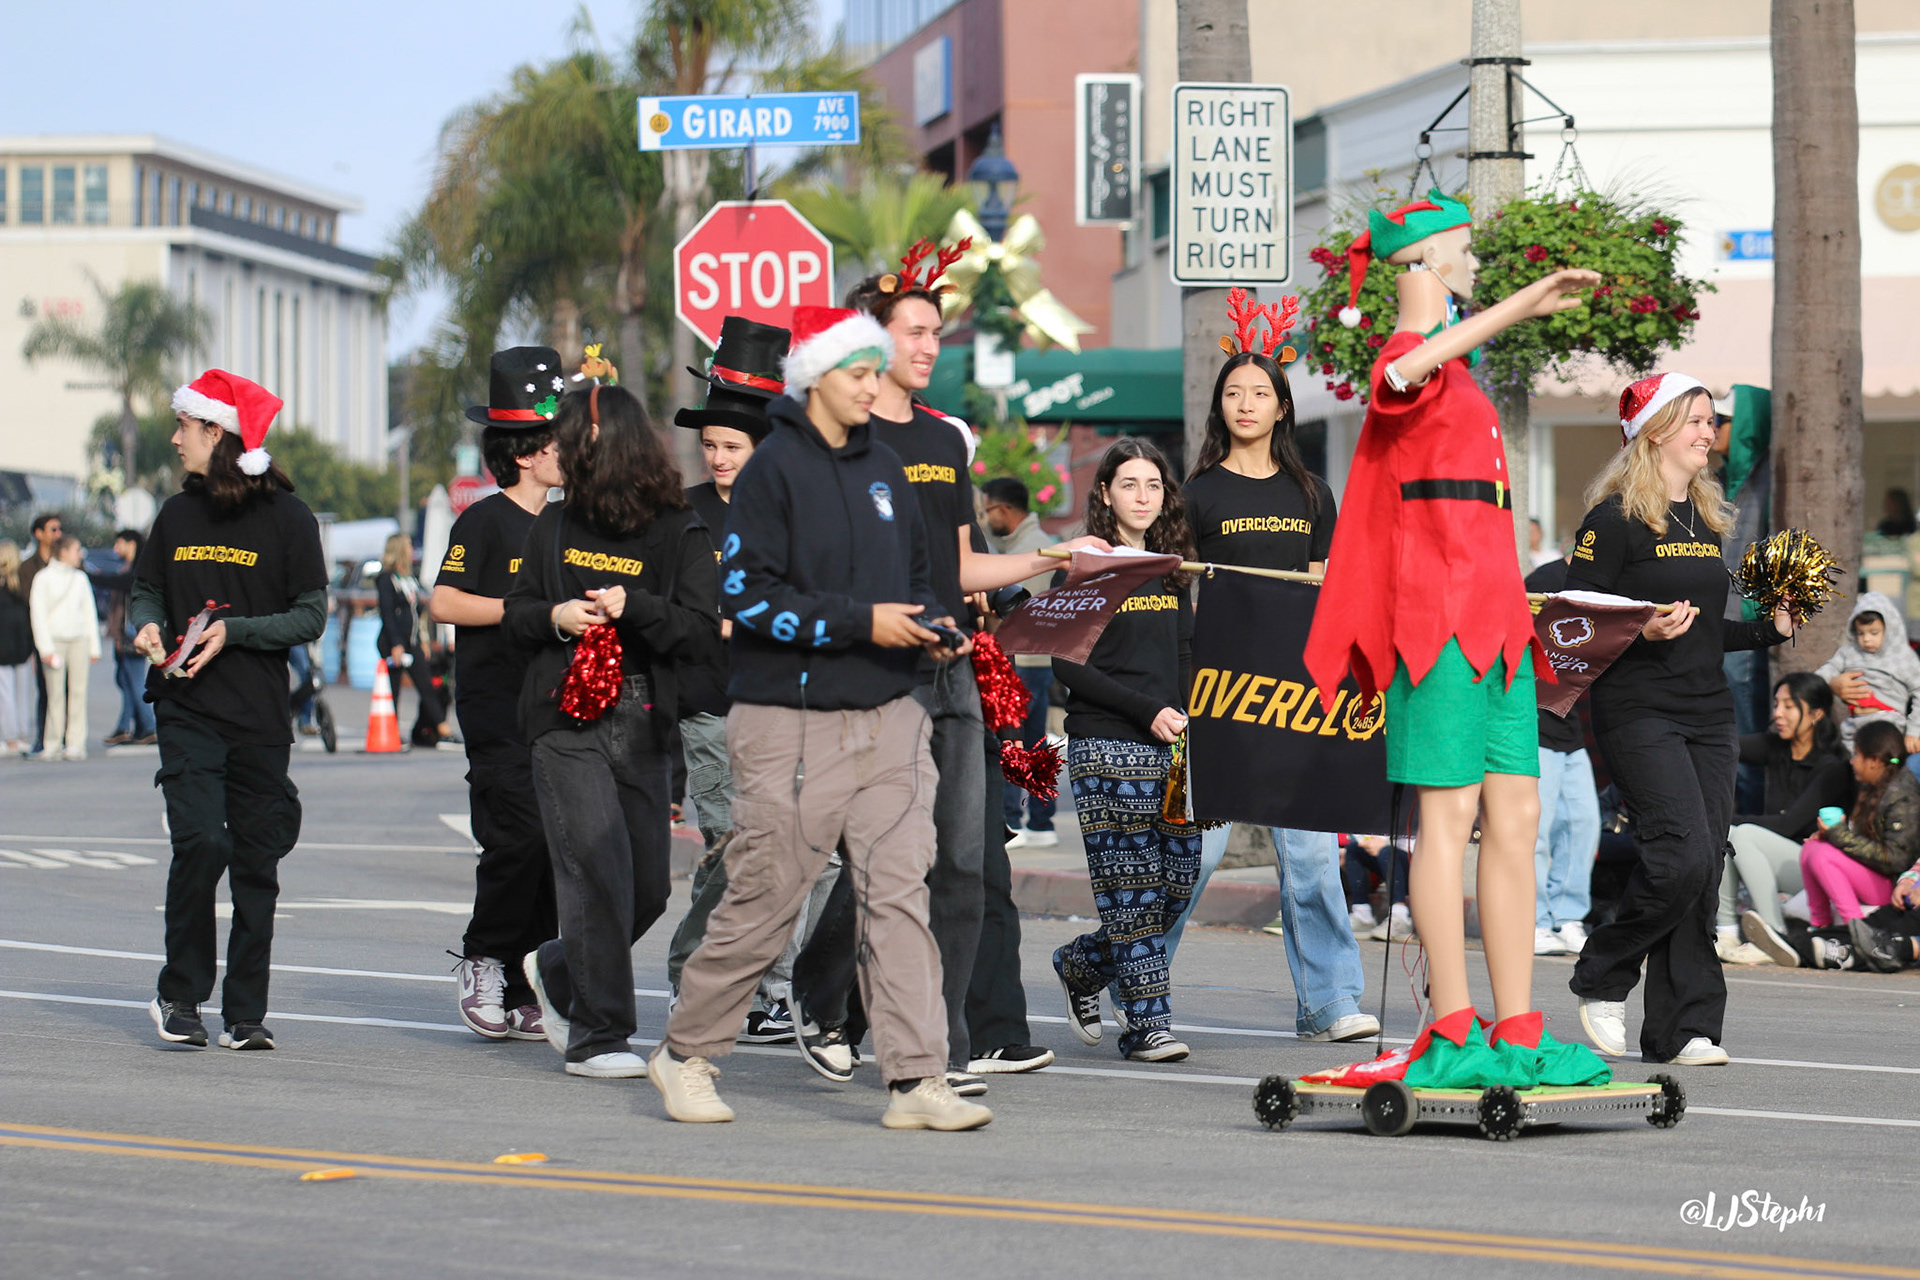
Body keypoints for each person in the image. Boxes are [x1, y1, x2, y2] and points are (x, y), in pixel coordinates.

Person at [650, 304, 989, 1131]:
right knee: (767, 897)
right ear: (814, 377)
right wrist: (863, 623)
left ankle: (916, 1080)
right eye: (859, 373)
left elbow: (918, 580)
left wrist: (934, 627)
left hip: (891, 715)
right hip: (789, 720)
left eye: (876, 371)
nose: (874, 386)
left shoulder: (887, 472)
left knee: (899, 895)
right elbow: (746, 598)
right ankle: (687, 1055)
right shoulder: (772, 470)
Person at [1304, 190, 1605, 1087]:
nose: (1473, 264)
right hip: (1432, 626)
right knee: (1450, 818)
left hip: (1499, 623)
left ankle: (1517, 1028)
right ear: (1428, 258)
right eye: (1464, 250)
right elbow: (1402, 372)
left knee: (1518, 815)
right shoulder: (1409, 355)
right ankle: (1452, 1027)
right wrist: (1523, 304)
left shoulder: (1460, 372)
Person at [789, 250, 1093, 1088]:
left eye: (934, 333)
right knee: (882, 857)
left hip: (953, 668)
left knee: (962, 860)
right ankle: (820, 991)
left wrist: (1055, 556)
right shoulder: (840, 440)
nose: (929, 346)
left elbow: (962, 567)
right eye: (914, 332)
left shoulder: (940, 439)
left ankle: (946, 1049)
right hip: (876, 676)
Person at [1563, 373, 1793, 1066]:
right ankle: (1604, 971)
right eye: (1694, 419)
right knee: (1681, 855)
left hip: (1707, 712)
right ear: (1655, 431)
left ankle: (1684, 1026)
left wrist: (1770, 630)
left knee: (1704, 863)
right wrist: (1642, 630)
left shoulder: (1704, 518)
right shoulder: (1610, 521)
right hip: (1638, 710)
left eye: (1710, 420)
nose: (1708, 431)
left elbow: (1702, 629)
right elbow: (1572, 624)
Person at [503, 377, 722, 1080]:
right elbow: (516, 615)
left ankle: (557, 967)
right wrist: (556, 616)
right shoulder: (554, 525)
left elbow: (700, 630)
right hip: (564, 717)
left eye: (570, 442)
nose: (561, 455)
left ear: (605, 443)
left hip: (644, 716)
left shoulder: (677, 528)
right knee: (596, 872)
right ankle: (598, 1035)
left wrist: (638, 607)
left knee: (648, 888)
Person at [1172, 324, 1376, 1044]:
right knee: (1195, 858)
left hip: (1298, 700)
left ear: (1282, 406)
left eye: (1260, 393)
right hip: (1219, 698)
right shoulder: (1194, 494)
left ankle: (1330, 1002)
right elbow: (1181, 597)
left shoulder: (1313, 493)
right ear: (1219, 407)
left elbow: (1325, 597)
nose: (1246, 404)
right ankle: (1136, 983)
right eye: (1234, 393)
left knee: (1313, 858)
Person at [133, 368, 328, 1050]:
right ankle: (180, 993)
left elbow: (311, 615)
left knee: (255, 863)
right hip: (186, 708)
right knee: (202, 842)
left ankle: (245, 1014)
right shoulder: (176, 513)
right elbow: (148, 588)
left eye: (184, 425)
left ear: (218, 433)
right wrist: (148, 624)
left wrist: (235, 631)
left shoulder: (290, 518)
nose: (175, 437)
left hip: (260, 717)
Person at [664, 317, 830, 1046]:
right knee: (733, 845)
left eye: (731, 447)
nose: (718, 458)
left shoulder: (794, 512)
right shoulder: (682, 515)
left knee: (801, 854)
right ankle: (691, 972)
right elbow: (676, 614)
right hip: (709, 707)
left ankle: (774, 988)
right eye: (710, 446)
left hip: (789, 706)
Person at [429, 346, 566, 1041]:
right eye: (558, 442)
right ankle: (482, 957)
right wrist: (523, 612)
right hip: (496, 708)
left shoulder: (566, 526)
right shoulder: (483, 521)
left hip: (559, 709)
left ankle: (525, 981)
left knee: (553, 846)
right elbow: (444, 601)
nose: (569, 452)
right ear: (527, 452)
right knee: (518, 837)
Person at [1048, 438, 1202, 1063]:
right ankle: (1147, 1025)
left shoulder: (1170, 567)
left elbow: (1185, 652)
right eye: (1130, 484)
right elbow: (1065, 664)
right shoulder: (1085, 564)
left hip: (1173, 748)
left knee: (1178, 883)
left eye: (1154, 485)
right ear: (1106, 494)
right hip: (1107, 744)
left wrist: (1189, 716)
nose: (1143, 496)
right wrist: (1146, 710)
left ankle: (1083, 963)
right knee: (1133, 889)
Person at [1725, 674, 1854, 968]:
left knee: (1740, 833)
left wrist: (1723, 818)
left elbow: (1788, 825)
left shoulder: (1832, 766)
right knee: (1725, 833)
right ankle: (1726, 932)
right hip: (1774, 862)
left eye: (1789, 706)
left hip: (1812, 871)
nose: (1778, 713)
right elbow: (1724, 743)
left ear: (1816, 714)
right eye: (1776, 704)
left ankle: (1774, 933)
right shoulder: (1777, 746)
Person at [1525, 552, 1600, 958]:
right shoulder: (1545, 579)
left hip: (1569, 725)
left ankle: (1567, 917)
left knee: (1583, 824)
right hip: (1534, 720)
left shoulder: (1606, 586)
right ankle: (1534, 919)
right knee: (1536, 831)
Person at [981, 476, 1060, 848]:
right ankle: (1042, 822)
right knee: (1036, 742)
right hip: (1037, 661)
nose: (986, 519)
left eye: (988, 511)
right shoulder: (1028, 544)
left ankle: (1012, 820)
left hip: (1024, 659)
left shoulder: (1031, 550)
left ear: (1004, 510)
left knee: (1012, 740)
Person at [1798, 721, 1917, 954]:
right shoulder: (1874, 784)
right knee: (1812, 847)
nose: (1852, 761)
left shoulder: (1902, 795)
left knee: (1823, 855)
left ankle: (1856, 931)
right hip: (1874, 876)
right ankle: (1820, 925)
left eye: (1857, 755)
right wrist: (1832, 835)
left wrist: (1839, 836)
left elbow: (1895, 859)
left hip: (1894, 886)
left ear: (1874, 761)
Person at [1814, 593, 1920, 755]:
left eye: (1874, 633)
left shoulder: (1903, 657)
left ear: (1889, 629)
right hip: (1853, 724)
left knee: (1880, 761)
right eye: (1860, 633)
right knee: (1850, 761)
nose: (1866, 639)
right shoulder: (1849, 653)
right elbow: (1828, 670)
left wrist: (1914, 731)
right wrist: (1818, 683)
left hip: (1888, 723)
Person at [29, 534, 100, 761]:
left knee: (78, 693)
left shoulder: (80, 578)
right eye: (76, 550)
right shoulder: (43, 578)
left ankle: (75, 743)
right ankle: (52, 743)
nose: (80, 554)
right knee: (55, 695)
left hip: (79, 640)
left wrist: (94, 647)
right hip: (55, 641)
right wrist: (45, 648)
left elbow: (89, 613)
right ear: (63, 552)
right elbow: (38, 614)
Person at [375, 533, 449, 748]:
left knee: (426, 685)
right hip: (394, 642)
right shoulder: (386, 578)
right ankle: (391, 732)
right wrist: (396, 643)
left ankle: (441, 728)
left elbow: (418, 613)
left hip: (413, 641)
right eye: (408, 546)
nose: (411, 550)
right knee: (393, 690)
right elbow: (387, 613)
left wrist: (423, 639)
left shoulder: (409, 578)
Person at [102, 528, 158, 747]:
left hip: (134, 631)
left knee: (135, 681)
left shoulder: (139, 570)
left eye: (119, 543)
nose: (116, 548)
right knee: (126, 680)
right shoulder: (130, 567)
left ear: (131, 544)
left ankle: (149, 726)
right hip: (126, 632)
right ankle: (126, 727)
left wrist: (88, 574)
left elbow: (120, 583)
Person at [19, 512, 62, 757]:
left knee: (67, 688)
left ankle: (65, 736)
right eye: (53, 529)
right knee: (45, 688)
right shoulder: (27, 567)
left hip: (65, 633)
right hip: (41, 635)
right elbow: (28, 604)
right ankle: (43, 736)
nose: (58, 534)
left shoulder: (66, 561)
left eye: (59, 529)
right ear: (39, 534)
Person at [0, 541, 35, 755]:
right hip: (23, 644)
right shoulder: (23, 583)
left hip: (3, 646)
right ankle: (22, 736)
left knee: (6, 694)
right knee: (23, 693)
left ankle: (11, 739)